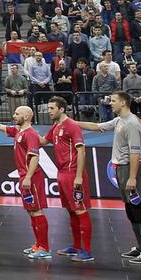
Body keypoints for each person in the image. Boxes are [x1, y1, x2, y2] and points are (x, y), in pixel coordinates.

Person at [72, 91, 141, 264]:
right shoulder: (119, 120)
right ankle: (140, 248)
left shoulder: (131, 123)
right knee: (130, 211)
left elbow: (135, 152)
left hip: (129, 170)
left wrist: (132, 177)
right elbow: (97, 126)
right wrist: (71, 122)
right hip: (121, 170)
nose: (110, 103)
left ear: (123, 103)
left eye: (113, 101)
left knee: (138, 209)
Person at [0, 105, 51, 260]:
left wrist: (29, 177)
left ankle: (45, 247)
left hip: (32, 177)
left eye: (18, 114)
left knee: (36, 210)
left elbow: (35, 156)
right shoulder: (18, 131)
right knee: (31, 210)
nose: (14, 115)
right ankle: (38, 244)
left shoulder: (30, 134)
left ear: (27, 116)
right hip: (24, 176)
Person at [38, 97, 93, 261]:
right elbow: (42, 141)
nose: (49, 111)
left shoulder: (71, 126)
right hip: (61, 173)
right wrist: (23, 131)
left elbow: (81, 151)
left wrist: (78, 176)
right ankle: (76, 247)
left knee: (80, 210)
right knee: (71, 211)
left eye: (52, 108)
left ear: (62, 109)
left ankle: (87, 251)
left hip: (72, 173)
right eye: (48, 108)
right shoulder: (56, 127)